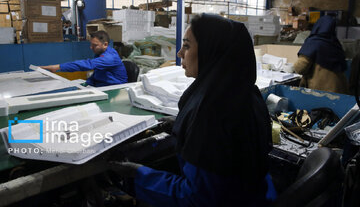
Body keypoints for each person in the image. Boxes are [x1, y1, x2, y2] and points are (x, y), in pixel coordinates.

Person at [109, 14, 276, 207]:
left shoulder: (212, 112)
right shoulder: (247, 93)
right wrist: (182, 126)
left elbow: (197, 198)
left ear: (211, 51)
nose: (180, 53)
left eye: (187, 46)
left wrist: (136, 174)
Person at [41, 30, 128, 87]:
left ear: (105, 44)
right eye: (91, 44)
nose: (91, 47)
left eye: (95, 45)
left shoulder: (110, 58)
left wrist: (58, 67)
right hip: (103, 85)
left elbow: (88, 65)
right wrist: (88, 83)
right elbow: (97, 73)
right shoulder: (100, 53)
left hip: (115, 88)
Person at [294, 15, 348, 94]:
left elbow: (300, 68)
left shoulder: (314, 42)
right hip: (339, 91)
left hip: (321, 93)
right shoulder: (336, 44)